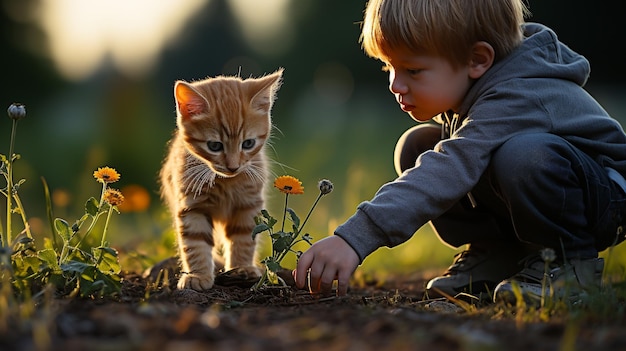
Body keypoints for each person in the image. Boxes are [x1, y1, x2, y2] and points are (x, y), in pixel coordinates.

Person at [293, 0, 626, 304]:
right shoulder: (478, 87)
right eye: (388, 67)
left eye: (413, 70)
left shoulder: (518, 92)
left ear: (477, 60)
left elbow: (453, 165)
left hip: (602, 201)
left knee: (521, 155)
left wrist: (355, 237)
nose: (395, 84)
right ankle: (499, 255)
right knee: (419, 145)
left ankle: (570, 265)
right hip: (562, 186)